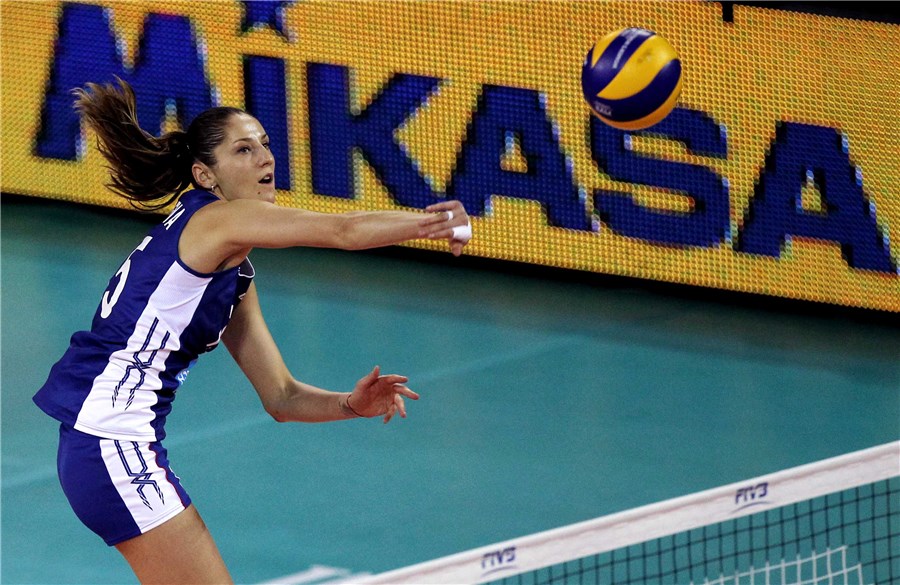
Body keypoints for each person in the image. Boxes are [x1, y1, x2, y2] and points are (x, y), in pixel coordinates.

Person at [33, 78, 471, 583]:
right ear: (206, 175)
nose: (265, 158)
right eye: (243, 150)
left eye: (264, 144)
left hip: (107, 445)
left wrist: (351, 405)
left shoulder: (233, 274)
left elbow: (281, 397)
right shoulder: (216, 222)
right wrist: (434, 223)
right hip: (111, 443)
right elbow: (343, 231)